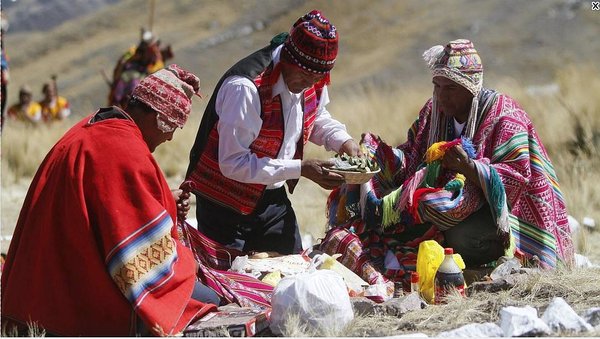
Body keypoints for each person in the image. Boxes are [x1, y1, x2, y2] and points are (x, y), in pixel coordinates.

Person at [321, 39, 574, 290]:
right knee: (402, 212)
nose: (441, 95)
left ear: (471, 87)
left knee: (459, 236)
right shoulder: (434, 111)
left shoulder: (505, 115)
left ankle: (484, 265)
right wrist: (381, 155)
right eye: (437, 85)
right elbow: (412, 157)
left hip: (506, 217)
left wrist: (470, 167)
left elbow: (517, 178)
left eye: (450, 88)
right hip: (451, 206)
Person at [1, 65, 219, 336]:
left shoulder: (96, 127)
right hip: (70, 296)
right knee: (206, 299)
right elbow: (135, 249)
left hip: (38, 285)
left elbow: (111, 206)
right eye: (172, 127)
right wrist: (188, 263)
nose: (171, 136)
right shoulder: (124, 151)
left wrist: (164, 201)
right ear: (157, 117)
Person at [182, 10, 361, 255]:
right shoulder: (245, 88)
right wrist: (301, 168)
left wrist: (344, 141)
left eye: (318, 77)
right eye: (305, 75)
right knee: (230, 283)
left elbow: (315, 116)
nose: (310, 83)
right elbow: (233, 163)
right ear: (286, 58)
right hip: (223, 203)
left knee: (291, 270)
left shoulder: (313, 78)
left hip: (271, 198)